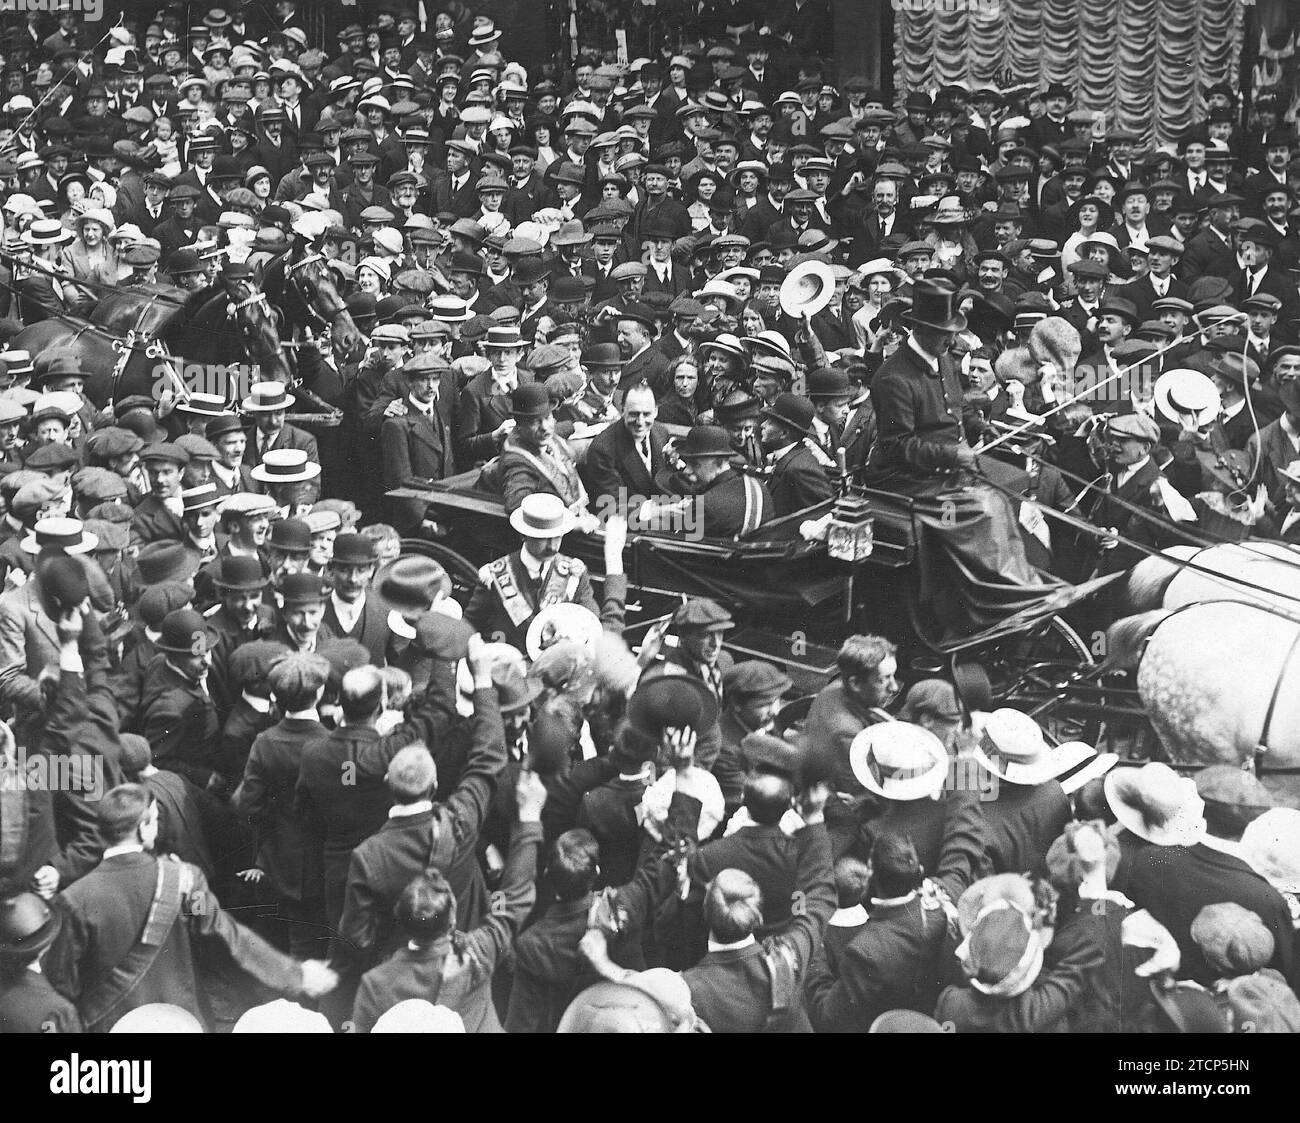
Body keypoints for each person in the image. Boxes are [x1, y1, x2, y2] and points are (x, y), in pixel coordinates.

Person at [45, 783, 338, 1031]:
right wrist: (295, 974)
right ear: (143, 828)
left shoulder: (73, 899)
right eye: (155, 819)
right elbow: (228, 936)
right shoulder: (184, 880)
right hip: (180, 1019)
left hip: (111, 1025)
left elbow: (61, 983)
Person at [464, 497, 627, 653]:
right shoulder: (495, 575)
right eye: (544, 538)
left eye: (558, 537)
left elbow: (595, 631)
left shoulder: (574, 573)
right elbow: (468, 628)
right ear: (524, 535)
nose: (553, 546)